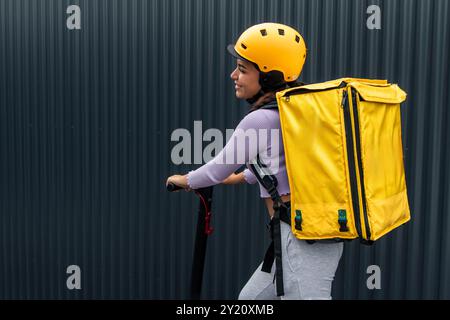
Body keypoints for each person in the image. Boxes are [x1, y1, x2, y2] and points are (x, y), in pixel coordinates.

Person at [166, 22, 343, 300]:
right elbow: (283, 163)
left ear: (269, 77)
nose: (233, 75)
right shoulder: (294, 112)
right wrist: (240, 177)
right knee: (251, 300)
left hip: (301, 237)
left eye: (243, 69)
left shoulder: (260, 119)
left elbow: (218, 168)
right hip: (295, 235)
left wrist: (185, 180)